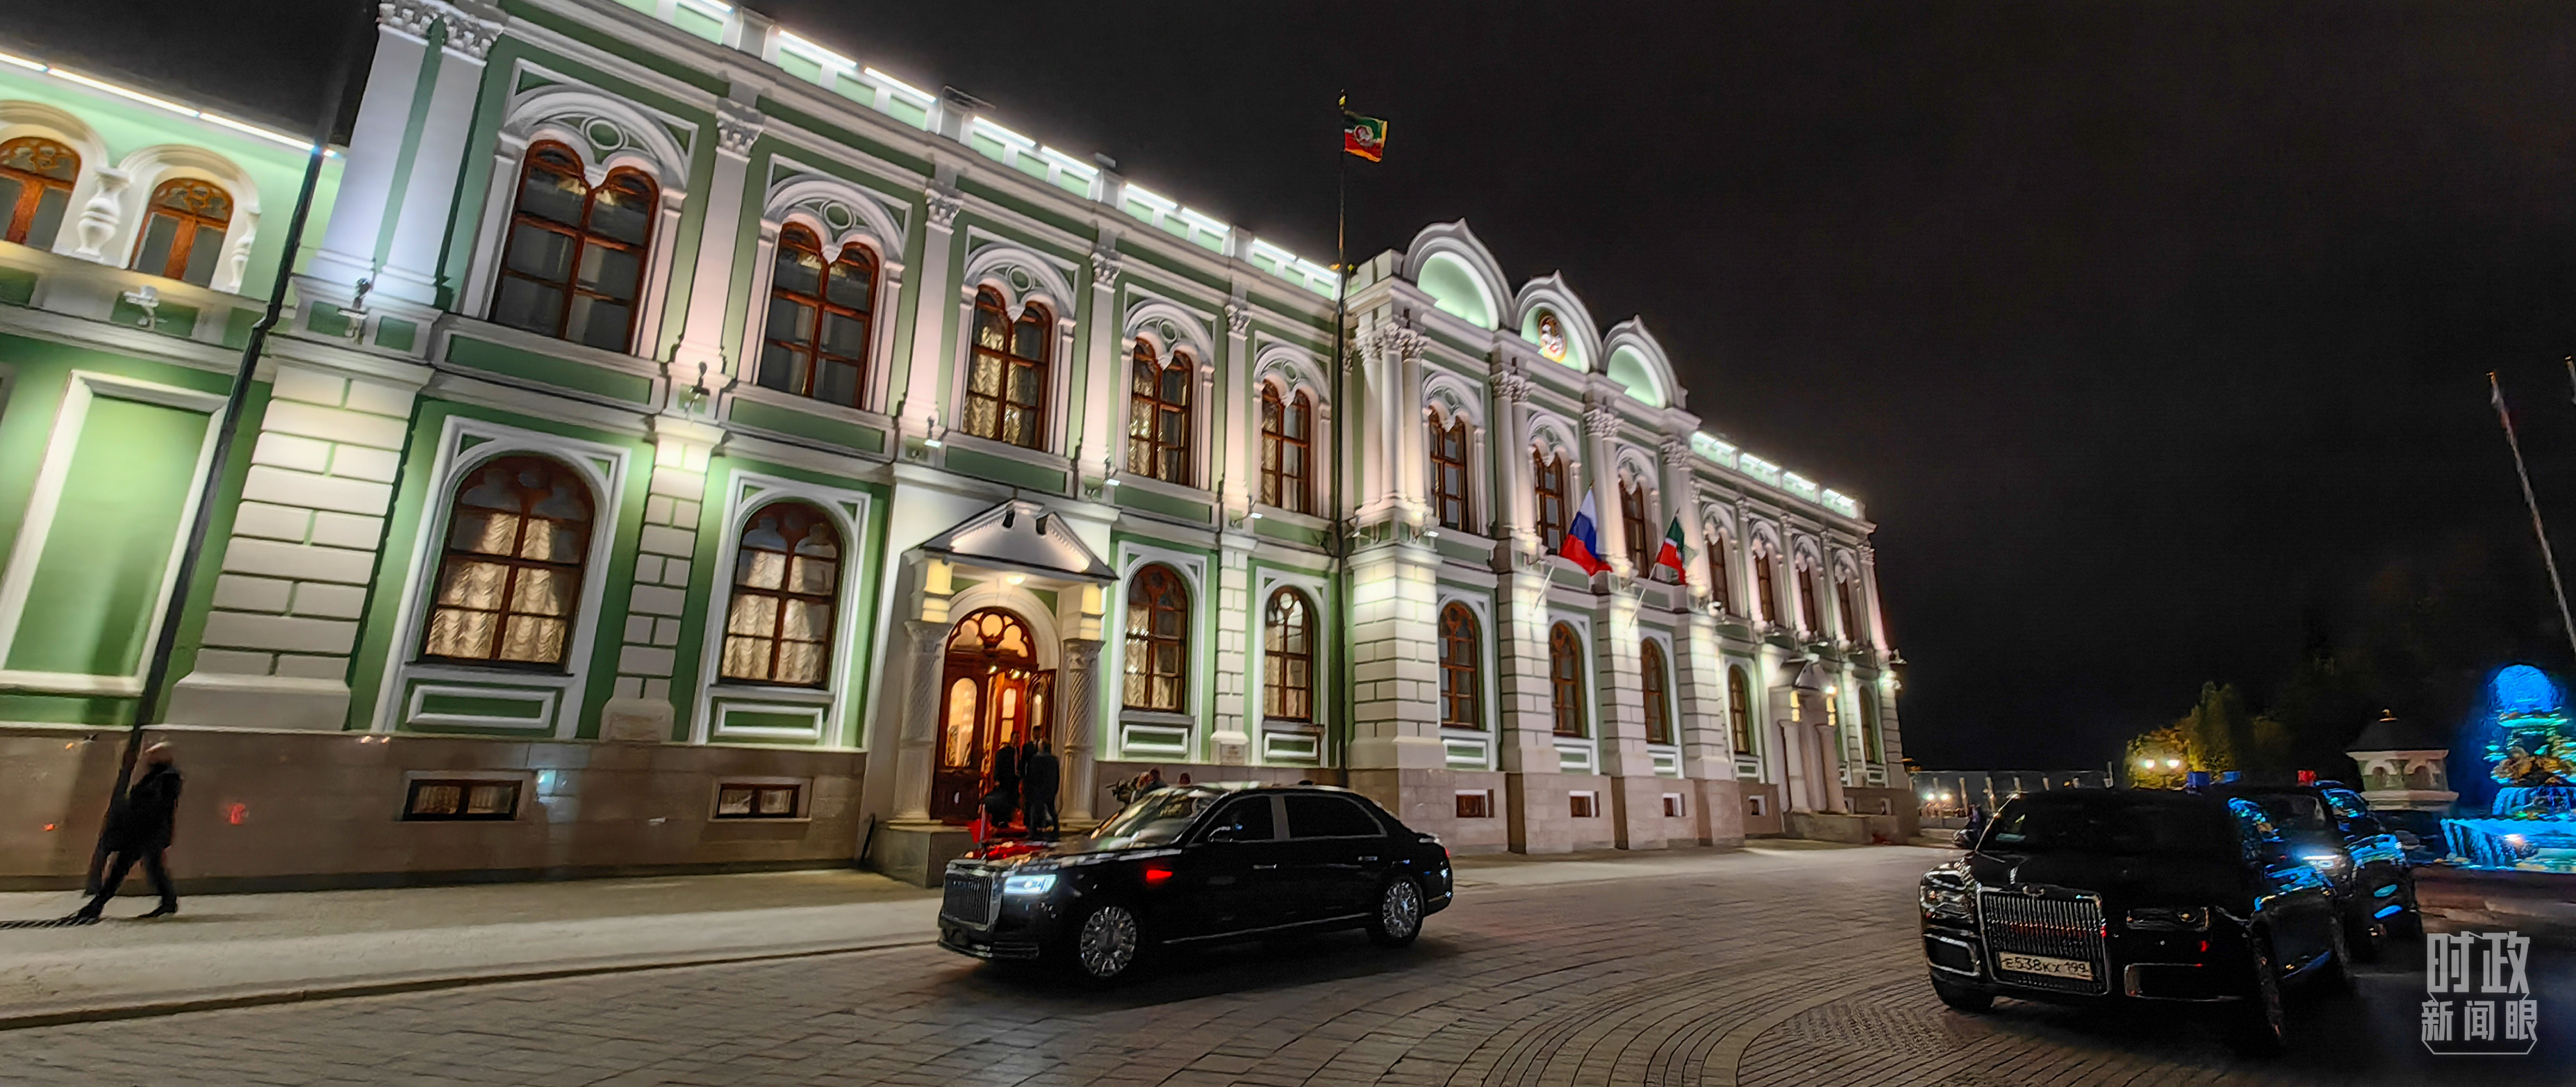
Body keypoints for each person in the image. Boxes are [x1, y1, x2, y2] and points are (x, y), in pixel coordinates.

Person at [73, 743, 183, 921]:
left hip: (146, 832)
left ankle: (98, 904)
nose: (148, 759)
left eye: (152, 756)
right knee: (149, 868)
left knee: (123, 868)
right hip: (145, 832)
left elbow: (154, 805)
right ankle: (168, 902)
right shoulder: (158, 777)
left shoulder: (165, 778)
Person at [1022, 739, 1060, 840]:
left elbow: (1031, 775)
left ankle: (1033, 830)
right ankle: (1056, 828)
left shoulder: (1036, 759)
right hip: (1050, 789)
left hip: (1038, 789)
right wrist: (1055, 788)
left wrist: (1029, 788)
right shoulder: (1054, 760)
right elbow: (1057, 776)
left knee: (1035, 809)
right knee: (1052, 809)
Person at [990, 737, 1022, 830]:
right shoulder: (1003, 752)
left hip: (1013, 780)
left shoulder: (1017, 751)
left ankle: (1006, 819)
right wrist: (997, 779)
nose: (1017, 741)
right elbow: (998, 766)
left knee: (1009, 801)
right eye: (1016, 738)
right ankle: (997, 819)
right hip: (1005, 779)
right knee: (1001, 799)